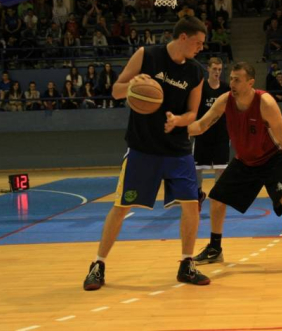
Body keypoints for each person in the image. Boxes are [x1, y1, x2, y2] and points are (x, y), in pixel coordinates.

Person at [83, 16, 210, 291]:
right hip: (142, 148)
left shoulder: (196, 72)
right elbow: (116, 91)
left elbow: (192, 113)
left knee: (191, 205)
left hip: (178, 150)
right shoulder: (147, 55)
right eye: (198, 42)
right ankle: (98, 264)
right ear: (183, 37)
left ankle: (187, 263)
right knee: (121, 207)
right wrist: (131, 86)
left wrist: (178, 121)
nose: (201, 47)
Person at [188, 62, 282, 274]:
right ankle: (215, 248)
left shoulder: (265, 102)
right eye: (231, 78)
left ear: (250, 83)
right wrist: (178, 128)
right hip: (244, 161)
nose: (232, 83)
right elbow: (201, 125)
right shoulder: (225, 100)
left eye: (237, 79)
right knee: (217, 199)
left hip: (271, 159)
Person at [194, 57, 230, 208]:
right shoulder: (200, 87)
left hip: (221, 134)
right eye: (214, 69)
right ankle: (198, 194)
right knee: (197, 169)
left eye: (220, 69)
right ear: (208, 69)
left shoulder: (226, 88)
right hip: (202, 134)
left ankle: (218, 197)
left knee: (221, 169)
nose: (217, 72)